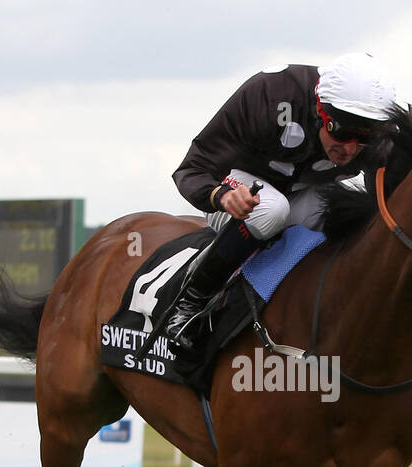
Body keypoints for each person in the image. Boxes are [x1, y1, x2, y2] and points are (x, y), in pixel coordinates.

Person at [165, 52, 398, 351]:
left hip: (299, 194)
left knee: (350, 213)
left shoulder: (379, 133)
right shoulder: (269, 94)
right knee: (271, 210)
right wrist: (221, 195)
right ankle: (190, 302)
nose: (350, 149)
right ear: (319, 110)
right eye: (341, 132)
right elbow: (191, 169)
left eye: (365, 137)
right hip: (240, 188)